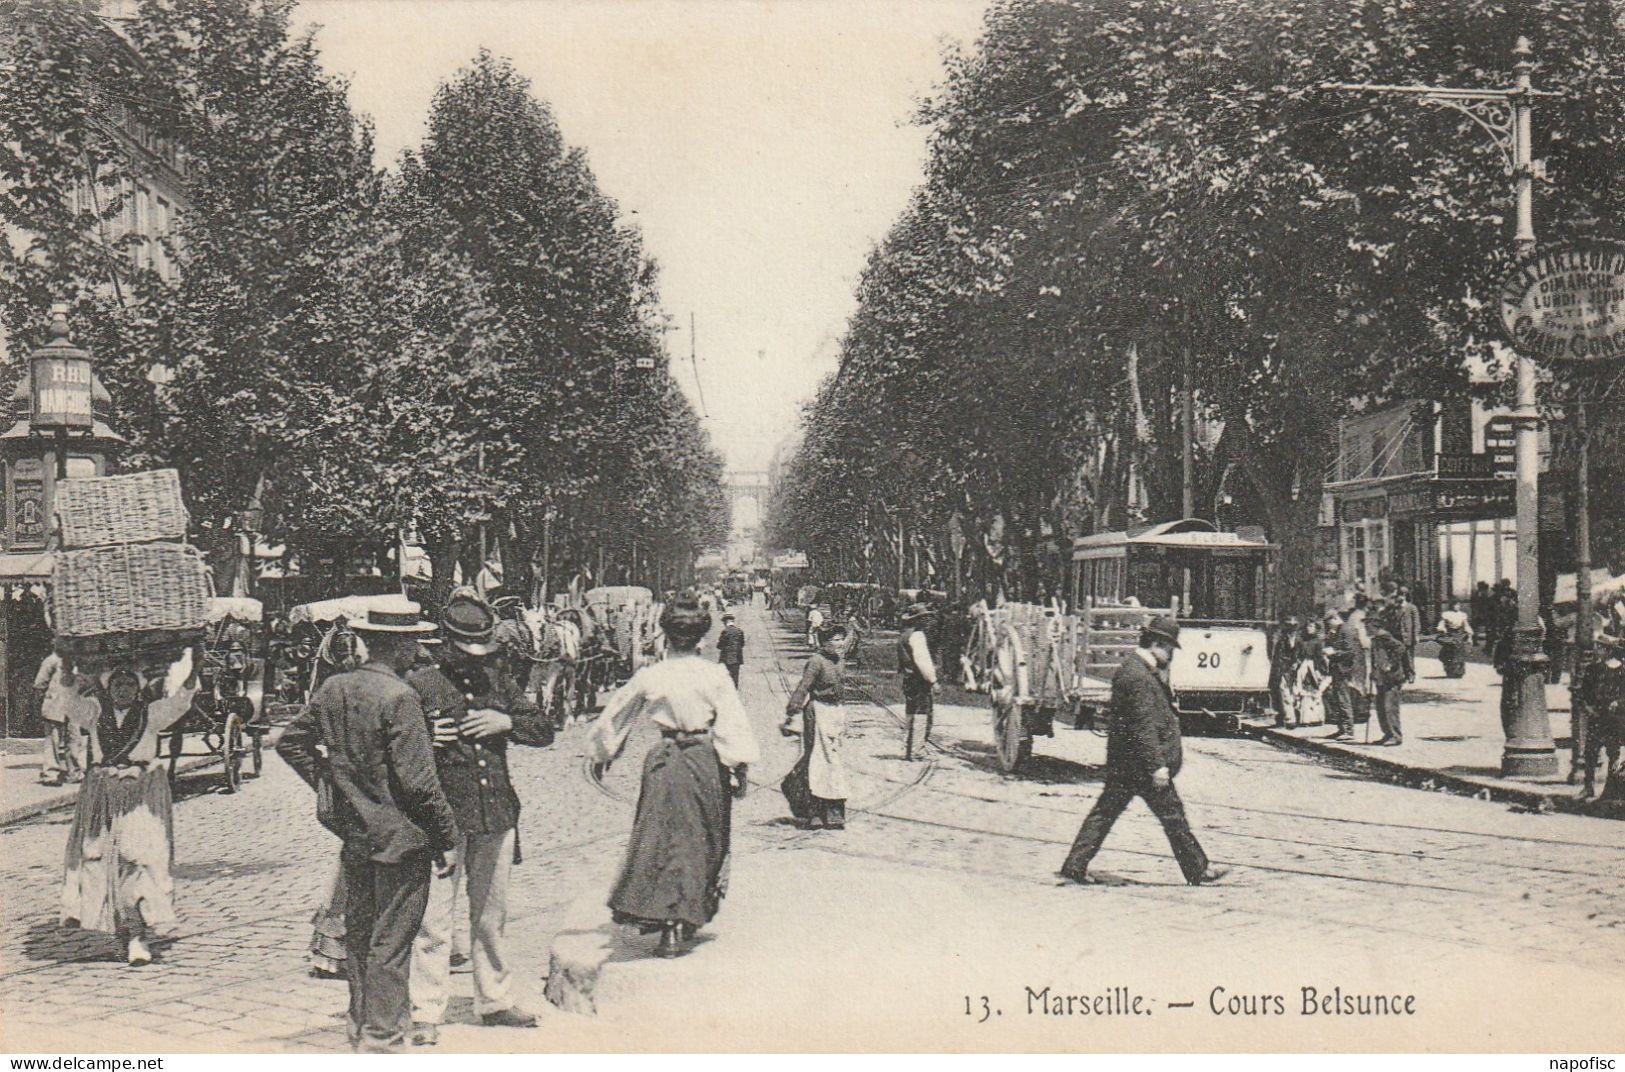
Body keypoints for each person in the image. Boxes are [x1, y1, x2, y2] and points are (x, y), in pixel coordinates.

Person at [277, 599, 460, 1054]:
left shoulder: (334, 688)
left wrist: (330, 785)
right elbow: (419, 784)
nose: (417, 652)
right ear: (402, 646)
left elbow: (290, 743)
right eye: (414, 643)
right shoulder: (401, 697)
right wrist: (446, 836)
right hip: (402, 837)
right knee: (392, 943)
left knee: (359, 937)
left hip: (355, 834)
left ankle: (360, 1028)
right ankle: (383, 1040)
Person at [406, 591, 552, 1045]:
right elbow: (397, 750)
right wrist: (426, 736)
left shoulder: (499, 680)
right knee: (433, 922)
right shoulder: (419, 685)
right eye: (465, 650)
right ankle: (426, 1011)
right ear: (445, 644)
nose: (474, 660)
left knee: (491, 916)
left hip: (496, 814)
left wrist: (505, 722)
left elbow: (544, 729)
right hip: (442, 818)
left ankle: (495, 1000)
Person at [589, 596, 759, 958]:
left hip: (663, 763)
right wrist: (739, 767)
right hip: (703, 762)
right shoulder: (715, 675)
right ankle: (683, 919)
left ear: (664, 635)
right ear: (701, 638)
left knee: (659, 836)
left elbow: (617, 713)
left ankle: (663, 921)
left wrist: (603, 754)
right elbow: (733, 724)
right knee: (702, 838)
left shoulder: (652, 675)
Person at [58, 648, 202, 967]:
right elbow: (69, 703)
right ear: (108, 689)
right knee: (101, 861)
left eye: (129, 685)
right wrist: (67, 669)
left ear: (138, 689)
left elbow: (180, 702)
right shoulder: (95, 713)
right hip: (102, 797)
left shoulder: (151, 714)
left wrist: (195, 668)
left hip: (140, 796)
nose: (123, 690)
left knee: (139, 860)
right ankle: (121, 932)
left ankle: (139, 936)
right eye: (117, 685)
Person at [1059, 616, 1225, 886]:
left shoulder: (1138, 670)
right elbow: (1142, 725)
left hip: (1128, 763)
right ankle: (1198, 870)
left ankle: (1074, 865)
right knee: (1172, 815)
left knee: (1106, 813)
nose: (1170, 656)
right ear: (1158, 644)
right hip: (1140, 766)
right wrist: (1157, 765)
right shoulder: (1137, 676)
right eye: (1169, 649)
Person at [782, 624, 851, 830]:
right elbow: (804, 687)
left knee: (834, 762)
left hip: (834, 713)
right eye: (835, 640)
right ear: (824, 642)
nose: (840, 644)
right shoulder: (815, 662)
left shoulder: (840, 661)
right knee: (817, 761)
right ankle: (814, 812)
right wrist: (792, 710)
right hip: (817, 713)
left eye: (841, 639)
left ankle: (834, 812)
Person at [35, 650, 84, 786]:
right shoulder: (51, 660)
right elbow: (40, 683)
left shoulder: (77, 660)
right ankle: (50, 774)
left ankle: (74, 772)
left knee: (74, 738)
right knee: (53, 741)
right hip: (55, 705)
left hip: (73, 706)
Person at [898, 603, 938, 760]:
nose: (926, 621)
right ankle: (917, 750)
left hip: (908, 679)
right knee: (922, 714)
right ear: (917, 620)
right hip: (919, 680)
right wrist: (933, 680)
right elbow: (923, 661)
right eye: (923, 618)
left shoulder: (903, 635)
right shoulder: (917, 636)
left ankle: (908, 748)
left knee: (910, 713)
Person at [1368, 622, 1407, 746]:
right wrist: (1373, 672)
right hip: (1381, 677)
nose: (1366, 630)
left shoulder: (1385, 637)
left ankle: (1395, 736)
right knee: (1381, 707)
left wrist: (1391, 664)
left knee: (1390, 707)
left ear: (1376, 627)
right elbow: (1376, 658)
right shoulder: (1375, 639)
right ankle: (1387, 734)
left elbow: (1400, 648)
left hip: (1391, 678)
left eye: (1368, 627)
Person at [1268, 617, 1301, 727]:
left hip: (1290, 670)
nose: (1291, 630)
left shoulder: (1297, 640)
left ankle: (1290, 719)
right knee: (1281, 693)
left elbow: (1299, 654)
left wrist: (1296, 663)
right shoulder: (1282, 639)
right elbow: (1278, 656)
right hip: (1281, 669)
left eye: (1293, 627)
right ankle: (1282, 717)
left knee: (1288, 693)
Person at [1394, 585, 1421, 683]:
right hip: (1397, 636)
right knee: (1399, 656)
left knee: (1409, 657)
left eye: (1403, 595)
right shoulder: (1395, 608)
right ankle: (1401, 675)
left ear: (1406, 595)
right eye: (1399, 595)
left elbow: (1416, 622)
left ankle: (1411, 675)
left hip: (1408, 636)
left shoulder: (1411, 607)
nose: (1400, 597)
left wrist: (1416, 635)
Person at [717, 611, 746, 688]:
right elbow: (742, 644)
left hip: (725, 659)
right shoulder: (740, 631)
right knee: (735, 679)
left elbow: (719, 646)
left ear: (726, 621)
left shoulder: (725, 631)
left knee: (724, 679)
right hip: (736, 659)